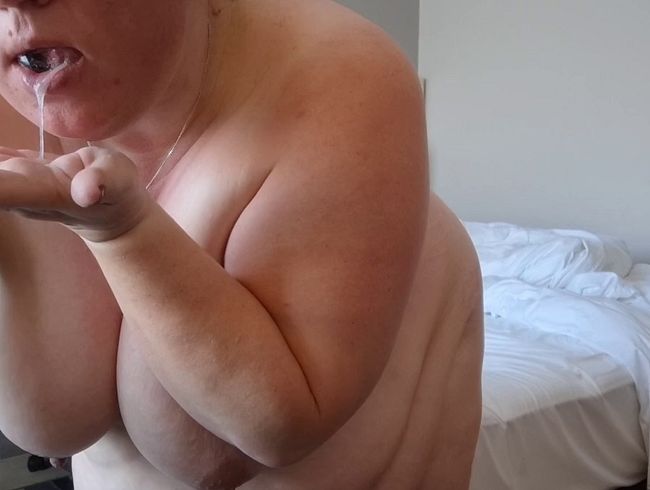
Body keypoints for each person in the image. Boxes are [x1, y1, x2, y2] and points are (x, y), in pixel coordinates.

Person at [0, 0, 484, 489]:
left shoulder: (336, 84)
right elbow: (53, 408)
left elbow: (261, 436)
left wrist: (121, 233)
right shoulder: (28, 81)